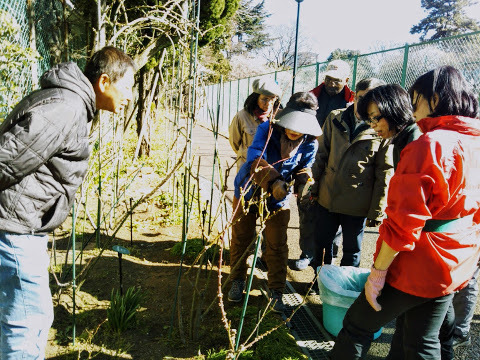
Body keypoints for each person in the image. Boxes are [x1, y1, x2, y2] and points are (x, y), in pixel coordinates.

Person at [330, 66, 480, 360]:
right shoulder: (474, 142)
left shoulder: (430, 144)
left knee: (357, 325)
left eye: (416, 101)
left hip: (421, 261)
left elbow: (404, 221)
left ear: (434, 100)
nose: (414, 110)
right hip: (457, 257)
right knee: (420, 340)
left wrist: (378, 273)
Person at [0, 46, 135, 359]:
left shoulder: (70, 103)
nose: (129, 96)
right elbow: (6, 160)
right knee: (26, 323)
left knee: (31, 316)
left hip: (21, 224)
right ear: (104, 83)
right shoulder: (66, 108)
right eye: (126, 87)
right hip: (14, 228)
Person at [227, 92, 321, 313]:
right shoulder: (267, 129)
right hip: (249, 190)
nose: (294, 130)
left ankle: (276, 290)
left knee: (277, 245)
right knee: (241, 237)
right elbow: (254, 158)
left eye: (300, 127)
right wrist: (275, 181)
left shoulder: (309, 143)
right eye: (292, 124)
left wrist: (303, 183)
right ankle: (238, 280)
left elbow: (305, 168)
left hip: (279, 199)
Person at [304, 78, 393, 294]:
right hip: (327, 197)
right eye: (362, 98)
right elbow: (321, 155)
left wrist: (377, 210)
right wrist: (312, 187)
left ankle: (343, 288)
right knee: (322, 244)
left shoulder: (382, 128)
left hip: (358, 203)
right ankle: (319, 282)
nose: (365, 104)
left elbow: (385, 171)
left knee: (352, 250)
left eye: (371, 99)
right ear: (354, 96)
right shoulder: (335, 118)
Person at [292, 59, 355, 271]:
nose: (330, 83)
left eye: (336, 80)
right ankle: (307, 252)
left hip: (337, 163)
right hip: (310, 161)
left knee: (334, 209)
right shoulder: (311, 97)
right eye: (328, 78)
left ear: (346, 81)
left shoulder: (354, 102)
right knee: (307, 205)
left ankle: (330, 255)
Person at [357, 83, 422, 169]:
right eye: (369, 120)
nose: (372, 125)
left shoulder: (415, 141)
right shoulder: (401, 138)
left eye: (375, 118)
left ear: (394, 111)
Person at [228, 78, 282, 172]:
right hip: (247, 169)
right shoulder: (242, 116)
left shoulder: (280, 117)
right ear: (255, 98)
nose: (269, 103)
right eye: (264, 99)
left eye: (272, 98)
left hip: (271, 171)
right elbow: (234, 142)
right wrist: (247, 155)